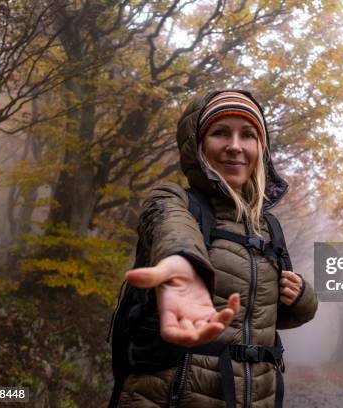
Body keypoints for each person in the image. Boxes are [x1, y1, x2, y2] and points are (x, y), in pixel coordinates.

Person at [117, 90, 318, 407]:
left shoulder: (268, 229)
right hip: (171, 397)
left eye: (248, 135)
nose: (235, 146)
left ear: (260, 150)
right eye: (220, 132)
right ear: (198, 146)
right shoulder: (173, 200)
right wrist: (184, 267)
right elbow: (172, 229)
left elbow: (264, 315)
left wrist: (302, 298)